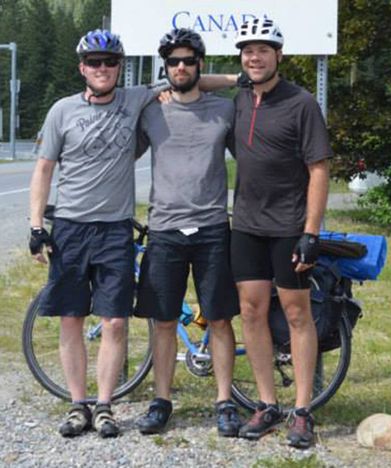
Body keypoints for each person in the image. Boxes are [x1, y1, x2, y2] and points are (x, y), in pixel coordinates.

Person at [29, 29, 164, 438]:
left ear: (120, 66)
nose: (102, 69)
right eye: (94, 62)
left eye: (109, 62)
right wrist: (36, 226)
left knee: (115, 321)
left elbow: (185, 78)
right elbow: (44, 170)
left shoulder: (134, 98)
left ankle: (104, 405)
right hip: (70, 228)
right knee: (71, 319)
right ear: (82, 68)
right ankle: (77, 404)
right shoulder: (62, 111)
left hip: (114, 231)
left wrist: (240, 80)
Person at [134, 28, 242, 437]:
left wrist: (230, 80)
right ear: (165, 67)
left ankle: (224, 400)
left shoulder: (225, 110)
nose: (181, 67)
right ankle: (161, 400)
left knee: (219, 318)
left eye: (189, 60)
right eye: (173, 61)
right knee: (162, 321)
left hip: (214, 226)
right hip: (164, 229)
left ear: (201, 63)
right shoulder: (151, 110)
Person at [230, 18, 332, 448]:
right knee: (251, 313)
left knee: (296, 315)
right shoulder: (238, 99)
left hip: (289, 226)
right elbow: (208, 80)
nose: (255, 57)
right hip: (246, 225)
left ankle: (303, 410)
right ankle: (267, 404)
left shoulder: (301, 102)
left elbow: (320, 168)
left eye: (263, 50)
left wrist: (311, 232)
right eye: (248, 51)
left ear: (279, 55)